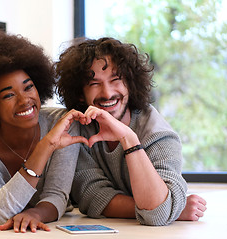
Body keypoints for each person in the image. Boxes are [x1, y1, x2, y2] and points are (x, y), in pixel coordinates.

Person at [55, 37, 207, 226]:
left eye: (116, 79)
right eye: (94, 84)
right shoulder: (78, 128)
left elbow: (157, 214)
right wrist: (172, 208)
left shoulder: (156, 132)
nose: (107, 93)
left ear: (130, 83)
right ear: (79, 92)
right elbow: (92, 196)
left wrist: (128, 139)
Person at [0, 28, 89, 233]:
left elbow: (56, 195)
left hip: (23, 195)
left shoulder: (61, 124)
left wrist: (36, 213)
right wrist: (46, 146)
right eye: (8, 95)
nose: (25, 101)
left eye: (28, 87)